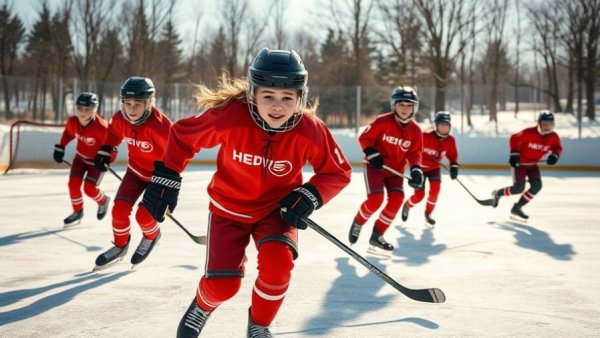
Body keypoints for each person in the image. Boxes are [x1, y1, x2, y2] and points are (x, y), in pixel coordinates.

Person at [140, 48, 351, 337]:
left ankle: (259, 325)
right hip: (228, 211)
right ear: (253, 94)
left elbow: (337, 172)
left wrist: (310, 196)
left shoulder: (310, 130)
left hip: (278, 213)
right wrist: (166, 176)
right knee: (223, 285)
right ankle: (203, 305)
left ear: (300, 98)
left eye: (287, 98)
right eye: (268, 97)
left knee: (278, 269)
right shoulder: (231, 118)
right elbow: (182, 135)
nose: (278, 106)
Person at [92, 76, 172, 270]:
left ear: (149, 103)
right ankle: (120, 246)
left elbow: (176, 155)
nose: (131, 109)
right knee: (118, 210)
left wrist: (169, 187)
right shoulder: (120, 119)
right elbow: (113, 135)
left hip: (158, 177)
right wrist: (105, 151)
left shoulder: (161, 127)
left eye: (138, 104)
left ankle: (152, 236)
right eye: (127, 103)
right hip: (135, 172)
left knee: (143, 216)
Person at [348, 86, 424, 255]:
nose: (405, 108)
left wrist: (417, 169)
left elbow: (415, 153)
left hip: (395, 171)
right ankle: (359, 222)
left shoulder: (416, 131)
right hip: (375, 167)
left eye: (409, 105)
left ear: (414, 107)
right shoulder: (382, 121)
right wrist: (372, 153)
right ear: (393, 105)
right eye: (401, 104)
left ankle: (377, 235)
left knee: (397, 199)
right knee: (376, 199)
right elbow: (365, 138)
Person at [53, 92, 112, 227]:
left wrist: (106, 160)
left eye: (87, 109)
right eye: (80, 108)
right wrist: (61, 147)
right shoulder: (73, 122)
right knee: (73, 184)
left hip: (96, 162)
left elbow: (111, 147)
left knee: (89, 189)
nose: (83, 112)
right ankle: (78, 211)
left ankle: (103, 201)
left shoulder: (101, 127)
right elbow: (68, 133)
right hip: (80, 158)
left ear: (94, 109)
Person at [490, 110, 563, 220]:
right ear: (539, 123)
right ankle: (498, 193)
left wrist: (555, 156)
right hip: (520, 164)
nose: (547, 127)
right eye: (544, 124)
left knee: (537, 186)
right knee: (519, 188)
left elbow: (558, 147)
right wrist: (514, 154)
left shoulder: (553, 137)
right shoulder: (529, 133)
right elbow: (514, 138)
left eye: (550, 124)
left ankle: (517, 208)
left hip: (533, 165)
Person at [400, 111, 459, 227]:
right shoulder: (425, 136)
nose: (444, 128)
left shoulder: (450, 140)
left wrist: (454, 167)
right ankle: (407, 205)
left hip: (434, 169)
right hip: (419, 169)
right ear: (436, 125)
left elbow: (453, 155)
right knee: (419, 196)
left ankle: (428, 214)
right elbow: (413, 150)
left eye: (447, 125)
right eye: (442, 125)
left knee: (435, 191)